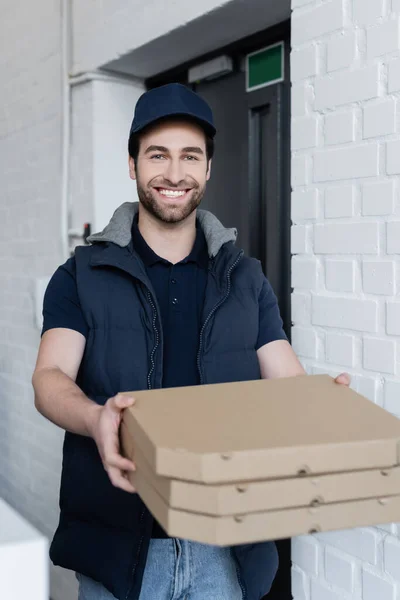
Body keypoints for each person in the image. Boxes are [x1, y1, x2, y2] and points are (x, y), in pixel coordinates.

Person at [32, 83, 350, 600]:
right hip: (117, 549)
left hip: (223, 550)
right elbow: (49, 379)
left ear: (207, 169)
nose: (174, 174)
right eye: (158, 155)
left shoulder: (245, 277)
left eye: (190, 156)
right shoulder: (81, 274)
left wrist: (324, 406)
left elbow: (286, 379)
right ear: (133, 165)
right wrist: (96, 418)